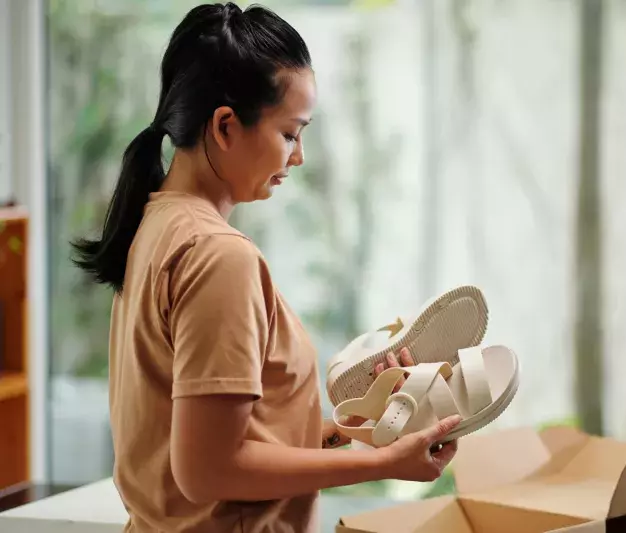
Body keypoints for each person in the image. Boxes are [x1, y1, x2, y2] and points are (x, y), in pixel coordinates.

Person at [70, 3, 460, 532]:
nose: (298, 157)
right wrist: (384, 464)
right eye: (290, 133)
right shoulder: (217, 256)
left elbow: (215, 441)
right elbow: (209, 471)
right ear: (226, 126)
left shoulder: (156, 227)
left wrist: (356, 427)